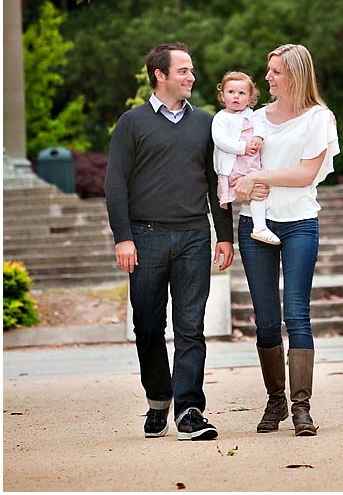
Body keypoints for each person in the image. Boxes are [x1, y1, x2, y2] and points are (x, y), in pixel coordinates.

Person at [105, 43, 235, 441]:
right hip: (145, 238)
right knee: (147, 325)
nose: (191, 77)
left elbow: (217, 183)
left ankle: (190, 410)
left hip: (195, 235)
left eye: (191, 70)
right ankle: (159, 401)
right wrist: (123, 237)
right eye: (183, 71)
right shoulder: (132, 123)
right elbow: (115, 184)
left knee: (191, 327)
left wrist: (225, 235)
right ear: (160, 75)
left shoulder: (207, 124)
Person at [232, 43, 339, 437]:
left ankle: (301, 407)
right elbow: (237, 171)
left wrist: (260, 178)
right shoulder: (253, 119)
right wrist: (243, 186)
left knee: (297, 314)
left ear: (294, 74)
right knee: (265, 320)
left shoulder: (318, 119)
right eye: (268, 70)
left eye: (275, 71)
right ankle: (275, 400)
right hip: (254, 226)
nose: (267, 78)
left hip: (299, 223)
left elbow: (306, 174)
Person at [212, 71, 280, 245]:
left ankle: (259, 226)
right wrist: (243, 147)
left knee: (258, 187)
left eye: (242, 93)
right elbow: (220, 140)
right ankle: (260, 226)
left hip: (251, 163)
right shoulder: (221, 118)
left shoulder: (252, 114)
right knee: (253, 189)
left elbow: (261, 127)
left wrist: (258, 138)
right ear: (222, 96)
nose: (236, 96)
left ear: (250, 98)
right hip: (234, 165)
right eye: (231, 92)